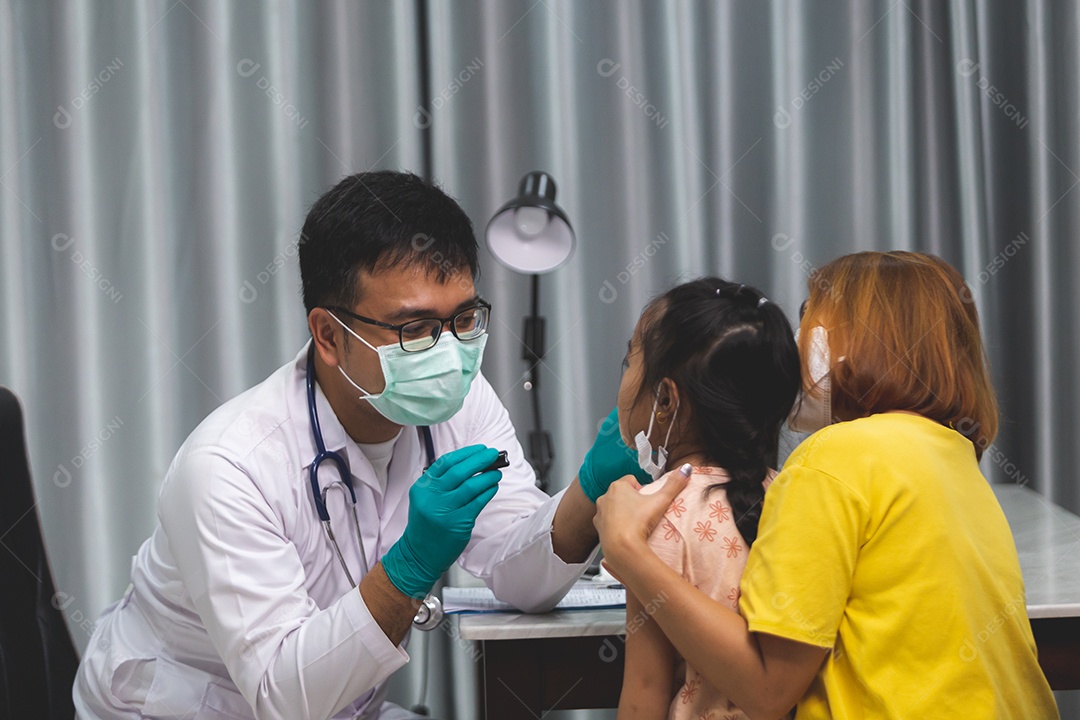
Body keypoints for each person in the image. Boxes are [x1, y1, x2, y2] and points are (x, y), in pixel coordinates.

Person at [73, 170, 646, 720]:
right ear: (328, 335)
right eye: (414, 330)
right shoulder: (229, 467)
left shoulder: (461, 401)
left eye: (464, 318)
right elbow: (284, 697)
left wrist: (588, 491)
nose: (449, 355)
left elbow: (522, 581)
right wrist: (410, 566)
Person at [595, 251, 1060, 719]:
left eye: (809, 320)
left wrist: (629, 551)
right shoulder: (952, 455)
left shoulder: (834, 457)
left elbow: (769, 692)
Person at [612, 279, 800, 720]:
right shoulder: (795, 497)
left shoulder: (650, 515)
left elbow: (645, 690)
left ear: (665, 399)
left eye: (628, 361)